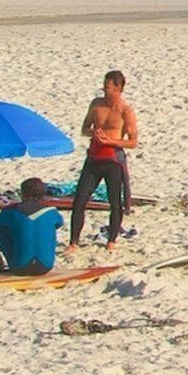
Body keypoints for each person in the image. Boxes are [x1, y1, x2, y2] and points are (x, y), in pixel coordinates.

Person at [72, 69, 140, 246]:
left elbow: (132, 142)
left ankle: (111, 241)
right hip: (94, 157)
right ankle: (73, 242)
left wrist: (111, 140)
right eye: (104, 85)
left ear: (118, 87)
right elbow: (84, 128)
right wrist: (93, 132)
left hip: (113, 159)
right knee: (80, 199)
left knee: (114, 201)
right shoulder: (96, 104)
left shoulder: (126, 111)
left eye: (108, 87)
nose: (104, 89)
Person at [0, 181, 65, 277]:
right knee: (46, 227)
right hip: (46, 266)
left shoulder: (11, 211)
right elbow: (60, 222)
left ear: (22, 193)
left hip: (19, 267)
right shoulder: (51, 211)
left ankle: (2, 263)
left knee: (1, 228)